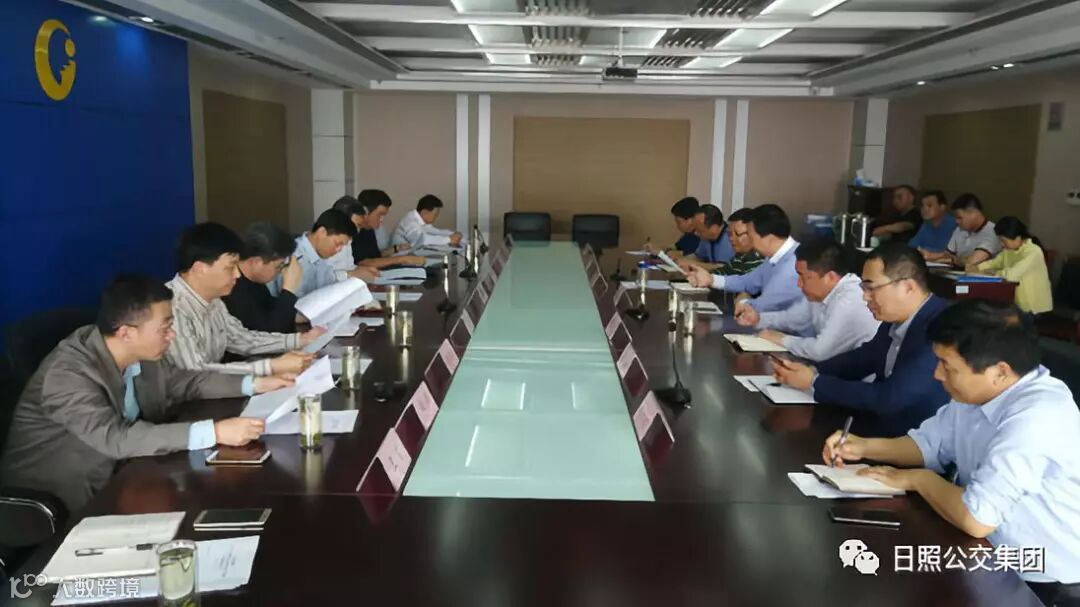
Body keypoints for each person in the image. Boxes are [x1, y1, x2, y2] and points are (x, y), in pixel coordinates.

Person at [823, 300, 1080, 606]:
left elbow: (977, 517)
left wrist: (918, 479)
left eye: (948, 366)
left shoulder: (1037, 417)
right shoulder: (979, 392)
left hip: (1041, 579)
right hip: (988, 552)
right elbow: (928, 445)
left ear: (999, 371)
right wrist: (863, 446)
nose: (937, 375)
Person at [0, 274, 288, 512]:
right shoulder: (67, 374)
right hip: (65, 498)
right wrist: (215, 431)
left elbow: (186, 383)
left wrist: (256, 384)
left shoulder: (140, 353)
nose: (171, 335)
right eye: (165, 327)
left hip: (129, 474)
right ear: (126, 333)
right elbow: (116, 438)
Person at [772, 243, 950, 436]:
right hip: (885, 427)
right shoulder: (896, 317)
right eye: (863, 288)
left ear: (907, 287)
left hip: (917, 439)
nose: (865, 297)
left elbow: (888, 397)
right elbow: (864, 357)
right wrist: (813, 370)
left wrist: (814, 383)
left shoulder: (942, 327)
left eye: (871, 288)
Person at [165, 223, 322, 377]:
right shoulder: (172, 308)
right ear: (200, 268)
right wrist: (271, 366)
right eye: (230, 267)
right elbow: (197, 373)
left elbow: (241, 338)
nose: (237, 274)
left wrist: (301, 339)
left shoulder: (213, 300)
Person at [738, 239, 879, 361]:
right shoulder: (820, 295)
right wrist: (758, 319)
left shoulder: (851, 298)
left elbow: (820, 351)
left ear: (830, 277)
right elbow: (793, 318)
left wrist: (781, 339)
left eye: (803, 277)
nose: (798, 284)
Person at [686, 204, 802, 313]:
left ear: (769, 238)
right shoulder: (773, 259)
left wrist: (743, 303)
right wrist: (711, 279)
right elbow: (747, 281)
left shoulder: (793, 265)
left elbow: (766, 306)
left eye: (751, 236)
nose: (751, 241)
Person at [275, 209, 378, 299]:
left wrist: (354, 274)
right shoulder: (295, 257)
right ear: (321, 232)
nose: (339, 250)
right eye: (338, 244)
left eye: (342, 246)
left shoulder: (320, 255)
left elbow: (329, 282)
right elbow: (294, 305)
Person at [223, 221, 304, 333]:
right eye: (279, 266)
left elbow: (271, 310)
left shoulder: (255, 282)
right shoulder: (232, 289)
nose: (281, 271)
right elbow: (271, 331)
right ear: (257, 262)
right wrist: (289, 288)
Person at [972, 216, 1053, 315]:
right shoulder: (1008, 250)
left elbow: (1011, 276)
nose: (1002, 244)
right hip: (1015, 304)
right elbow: (994, 263)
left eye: (1003, 240)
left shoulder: (1033, 252)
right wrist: (977, 268)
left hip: (1033, 308)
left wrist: (992, 272)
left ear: (1017, 238)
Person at [352, 189, 425, 268]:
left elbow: (374, 256)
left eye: (384, 215)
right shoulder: (353, 231)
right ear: (365, 211)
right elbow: (363, 262)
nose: (382, 219)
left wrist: (396, 248)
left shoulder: (369, 229)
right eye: (380, 214)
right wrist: (402, 259)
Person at [925, 193, 1001, 268]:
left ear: (973, 214)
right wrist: (929, 256)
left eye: (959, 217)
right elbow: (947, 255)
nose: (957, 221)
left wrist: (952, 259)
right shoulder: (960, 229)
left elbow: (972, 262)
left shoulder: (993, 232)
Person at [392, 194, 463, 248]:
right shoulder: (410, 221)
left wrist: (452, 234)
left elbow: (435, 231)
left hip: (409, 254)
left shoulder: (420, 220)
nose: (436, 217)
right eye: (435, 214)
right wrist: (449, 239)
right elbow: (422, 240)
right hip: (398, 256)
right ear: (424, 212)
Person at [678, 204, 734, 271]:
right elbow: (698, 256)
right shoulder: (706, 238)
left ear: (714, 228)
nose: (696, 233)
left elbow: (723, 267)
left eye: (699, 230)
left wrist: (693, 264)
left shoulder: (731, 239)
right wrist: (681, 260)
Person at [714, 208, 765, 276]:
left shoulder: (758, 259)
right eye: (729, 234)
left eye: (738, 234)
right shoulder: (739, 256)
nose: (731, 238)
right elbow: (723, 272)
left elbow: (746, 282)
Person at [326, 195, 368, 275]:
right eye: (355, 225)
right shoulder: (325, 240)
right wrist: (352, 274)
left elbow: (349, 267)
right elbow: (325, 277)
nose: (357, 231)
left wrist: (364, 270)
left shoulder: (348, 239)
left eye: (359, 226)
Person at [909, 190, 957, 255]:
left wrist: (923, 250)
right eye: (922, 206)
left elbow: (948, 252)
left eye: (929, 205)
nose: (924, 209)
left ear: (942, 207)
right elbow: (912, 245)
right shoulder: (926, 224)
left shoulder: (954, 225)